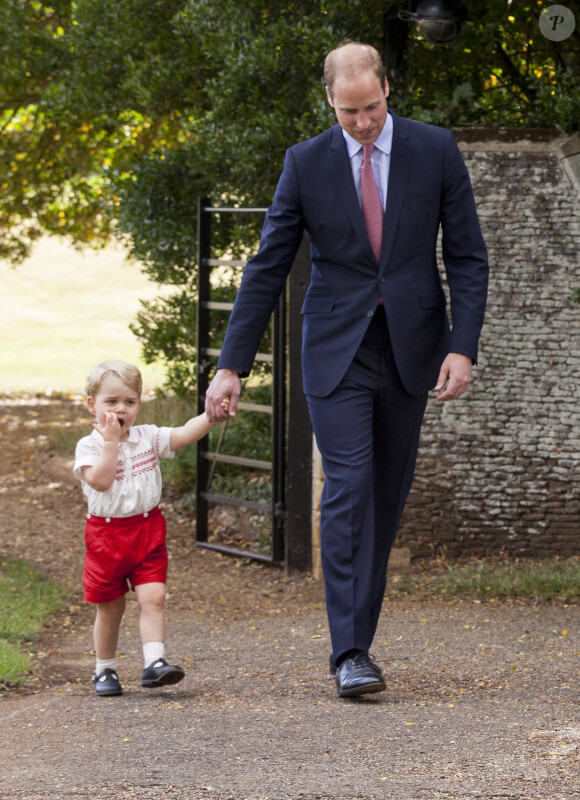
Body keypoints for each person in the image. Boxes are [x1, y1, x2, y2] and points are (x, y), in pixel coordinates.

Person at [205, 41, 488, 698]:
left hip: (413, 347)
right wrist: (231, 366)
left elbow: (469, 256)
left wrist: (462, 345)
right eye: (348, 112)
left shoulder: (434, 149)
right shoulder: (305, 164)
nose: (363, 122)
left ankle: (360, 637)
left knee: (385, 495)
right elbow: (267, 267)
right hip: (336, 349)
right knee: (349, 485)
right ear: (330, 102)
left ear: (387, 89)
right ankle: (350, 652)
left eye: (373, 107)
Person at [73, 359, 228, 696]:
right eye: (111, 402)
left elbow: (185, 432)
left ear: (139, 404)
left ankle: (154, 662)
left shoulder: (148, 437)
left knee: (153, 596)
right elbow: (99, 482)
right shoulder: (89, 446)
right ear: (92, 405)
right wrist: (111, 442)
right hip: (106, 536)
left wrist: (211, 416)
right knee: (111, 607)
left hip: (147, 530)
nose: (120, 409)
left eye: (129, 402)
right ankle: (105, 670)